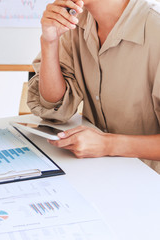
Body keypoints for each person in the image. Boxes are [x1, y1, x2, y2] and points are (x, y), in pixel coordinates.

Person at [27, 0, 160, 172]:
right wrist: (50, 42)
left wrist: (107, 144)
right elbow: (54, 105)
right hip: (100, 175)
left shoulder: (155, 31)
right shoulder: (74, 23)